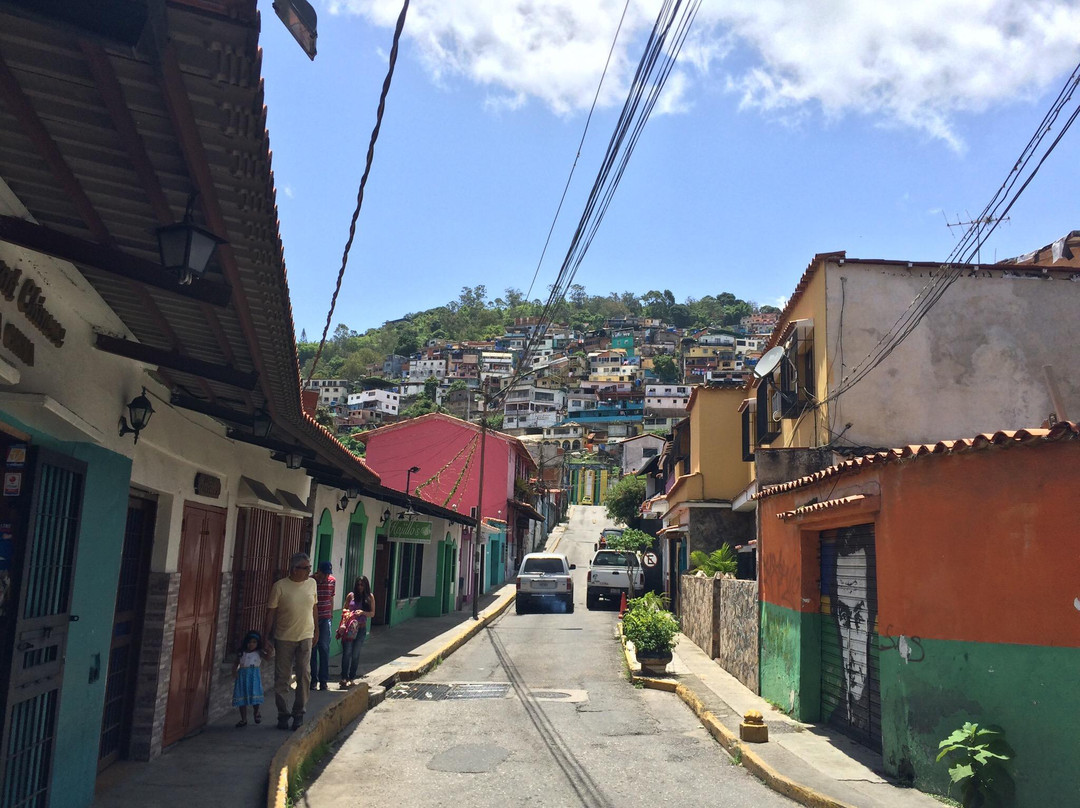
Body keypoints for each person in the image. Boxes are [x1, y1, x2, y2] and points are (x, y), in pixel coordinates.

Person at [264, 552, 318, 731]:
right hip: (284, 638)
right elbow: (270, 613)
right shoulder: (280, 586)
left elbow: (314, 607)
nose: (309, 571)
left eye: (309, 567)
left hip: (305, 636)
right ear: (294, 569)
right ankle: (283, 714)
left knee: (304, 674)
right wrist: (266, 637)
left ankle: (299, 713)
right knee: (282, 678)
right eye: (306, 568)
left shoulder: (312, 584)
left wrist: (317, 629)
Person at [338, 576, 375, 688]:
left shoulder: (369, 597)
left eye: (362, 585)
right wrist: (346, 618)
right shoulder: (351, 596)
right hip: (350, 628)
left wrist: (362, 612)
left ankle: (352, 677)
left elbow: (372, 613)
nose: (360, 587)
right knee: (347, 653)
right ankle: (344, 677)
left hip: (361, 628)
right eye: (358, 585)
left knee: (355, 654)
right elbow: (345, 609)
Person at [309, 560, 336, 692]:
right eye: (324, 574)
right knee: (312, 650)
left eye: (328, 574)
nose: (326, 577)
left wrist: (331, 614)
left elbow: (331, 598)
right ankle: (313, 680)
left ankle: (323, 681)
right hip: (311, 619)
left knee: (324, 649)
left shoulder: (332, 581)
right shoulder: (310, 581)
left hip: (325, 619)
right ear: (318, 571)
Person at [232, 630, 264, 727]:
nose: (251, 644)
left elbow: (269, 656)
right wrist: (234, 672)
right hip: (242, 676)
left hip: (254, 677)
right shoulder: (242, 653)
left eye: (254, 642)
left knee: (254, 695)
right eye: (249, 642)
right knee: (242, 697)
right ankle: (243, 719)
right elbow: (236, 663)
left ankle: (256, 712)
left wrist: (269, 647)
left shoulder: (259, 653)